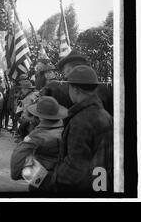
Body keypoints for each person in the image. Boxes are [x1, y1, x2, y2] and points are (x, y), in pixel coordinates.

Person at [41, 65, 113, 193]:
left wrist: (48, 180)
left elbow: (74, 170)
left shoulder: (80, 121)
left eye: (69, 86)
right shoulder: (105, 115)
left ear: (75, 89)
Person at [10, 96, 67, 191]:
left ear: (40, 116)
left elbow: (19, 153)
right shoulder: (66, 128)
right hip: (64, 173)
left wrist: (16, 174)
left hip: (41, 174)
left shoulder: (38, 135)